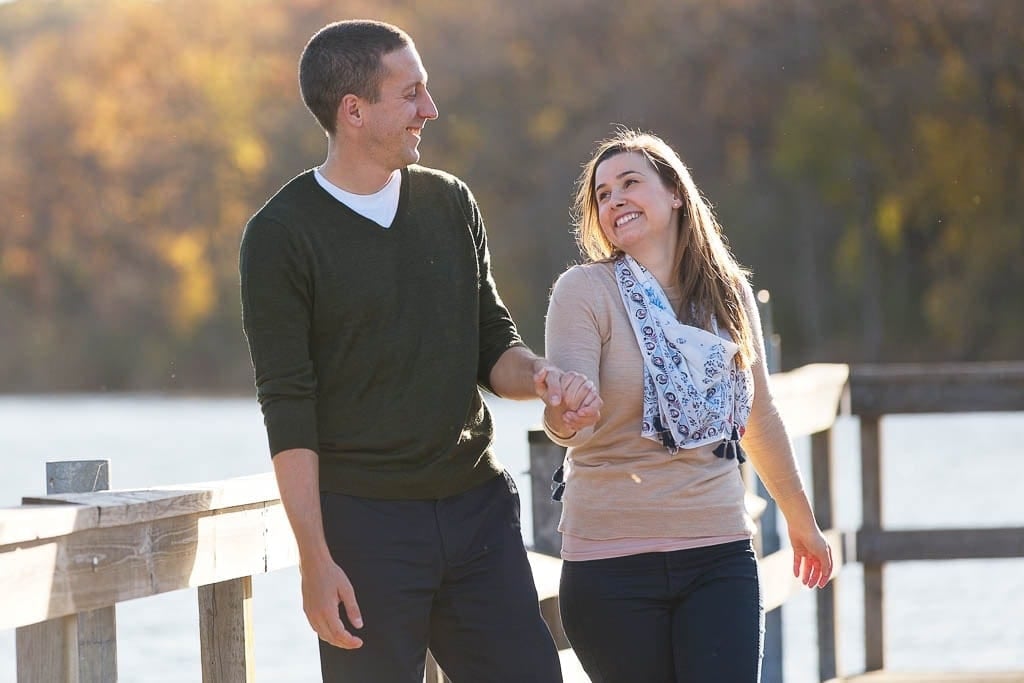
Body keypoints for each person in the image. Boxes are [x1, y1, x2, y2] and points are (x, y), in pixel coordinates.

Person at [239, 19, 601, 683]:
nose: (429, 110)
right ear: (354, 111)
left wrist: (543, 377)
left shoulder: (451, 202)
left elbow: (492, 342)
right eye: (411, 95)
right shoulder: (281, 235)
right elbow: (287, 402)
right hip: (364, 530)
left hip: (477, 511)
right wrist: (315, 559)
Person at [543, 129, 833, 683]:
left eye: (630, 182)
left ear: (675, 192)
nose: (615, 200)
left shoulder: (727, 293)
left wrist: (802, 521)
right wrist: (566, 413)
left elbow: (759, 418)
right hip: (610, 564)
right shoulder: (584, 292)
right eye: (602, 195)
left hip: (719, 554)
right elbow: (568, 415)